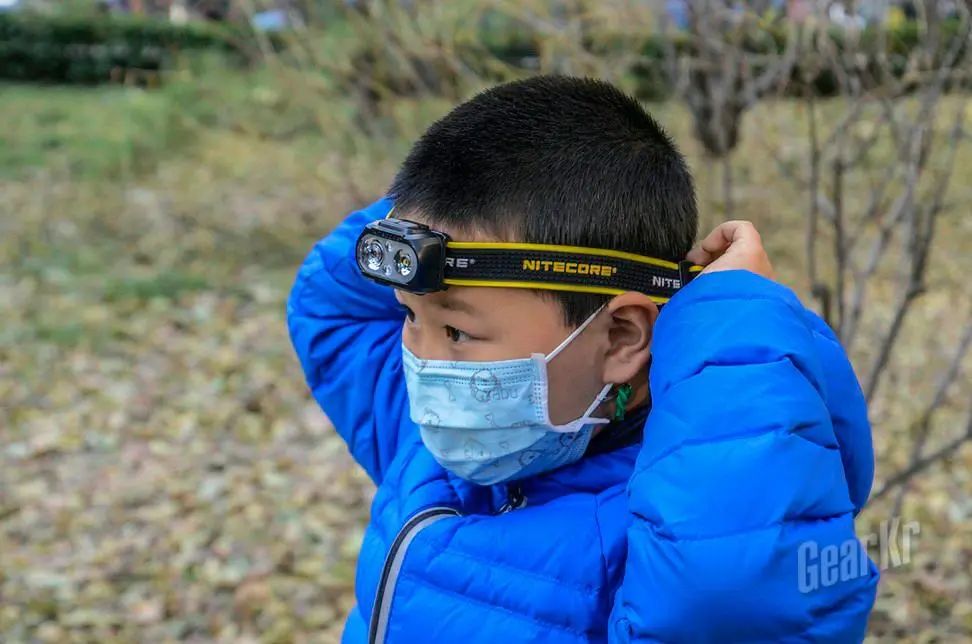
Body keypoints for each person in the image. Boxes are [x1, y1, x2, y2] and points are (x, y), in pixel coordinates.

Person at [287, 76, 878, 643]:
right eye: (410, 316)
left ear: (622, 337)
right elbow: (328, 310)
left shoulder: (662, 535)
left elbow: (734, 598)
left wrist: (731, 319)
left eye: (458, 332)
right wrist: (440, 196)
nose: (420, 359)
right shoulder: (432, 442)